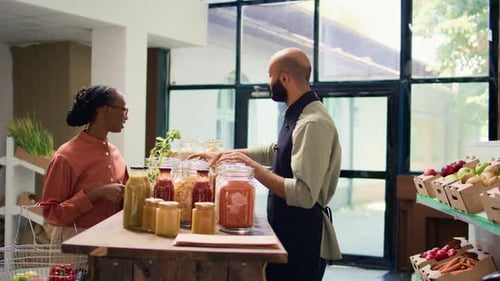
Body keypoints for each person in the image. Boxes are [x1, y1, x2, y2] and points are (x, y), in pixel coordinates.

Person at [190, 47, 342, 281]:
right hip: (287, 233)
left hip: (303, 241)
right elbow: (275, 151)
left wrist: (251, 168)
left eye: (270, 77)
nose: (268, 83)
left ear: (284, 78)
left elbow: (304, 194)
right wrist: (224, 155)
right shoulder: (298, 114)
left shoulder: (312, 123)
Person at [41, 85, 129, 242]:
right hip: (73, 245)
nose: (126, 117)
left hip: (110, 245)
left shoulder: (116, 154)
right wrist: (96, 194)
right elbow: (52, 214)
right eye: (123, 110)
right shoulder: (66, 156)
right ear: (105, 110)